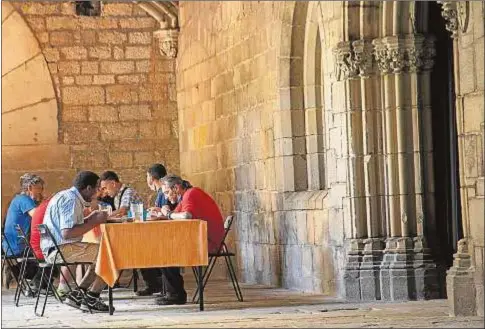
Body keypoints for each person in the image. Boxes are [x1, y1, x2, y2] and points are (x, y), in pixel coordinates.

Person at [150, 174, 225, 306]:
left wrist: (167, 214)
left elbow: (186, 215)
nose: (166, 197)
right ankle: (172, 292)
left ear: (177, 188)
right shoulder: (185, 196)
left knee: (166, 250)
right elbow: (174, 216)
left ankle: (175, 295)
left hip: (208, 242)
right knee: (163, 247)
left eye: (167, 192)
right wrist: (163, 213)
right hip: (202, 238)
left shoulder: (191, 193)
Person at [41, 171, 110, 312]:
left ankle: (79, 294)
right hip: (60, 249)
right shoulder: (71, 200)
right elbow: (67, 233)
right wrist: (94, 222)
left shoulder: (67, 195)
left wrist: (90, 218)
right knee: (111, 256)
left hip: (57, 247)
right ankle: (92, 297)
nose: (98, 192)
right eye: (97, 188)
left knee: (104, 253)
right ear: (89, 188)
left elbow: (70, 227)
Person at [135, 163, 178, 297]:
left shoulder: (162, 192)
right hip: (164, 232)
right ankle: (156, 285)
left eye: (147, 176)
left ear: (152, 178)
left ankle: (156, 285)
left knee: (142, 250)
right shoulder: (161, 192)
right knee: (140, 248)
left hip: (168, 234)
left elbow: (166, 213)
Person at [2, 173, 44, 291]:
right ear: (30, 188)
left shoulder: (18, 199)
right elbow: (37, 217)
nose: (41, 192)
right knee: (52, 253)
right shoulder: (24, 200)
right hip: (18, 246)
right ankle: (34, 284)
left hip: (11, 245)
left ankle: (15, 269)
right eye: (39, 188)